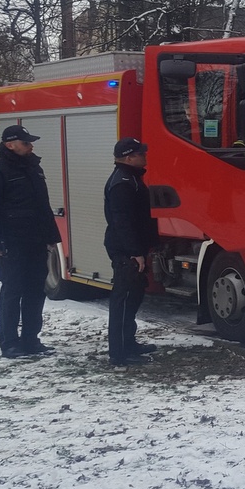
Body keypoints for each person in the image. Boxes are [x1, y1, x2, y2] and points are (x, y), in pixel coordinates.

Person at [0, 124, 62, 359]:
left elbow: (43, 206)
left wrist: (51, 237)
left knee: (36, 291)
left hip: (36, 241)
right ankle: (9, 342)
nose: (30, 146)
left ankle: (31, 339)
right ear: (10, 145)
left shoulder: (34, 167)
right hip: (11, 242)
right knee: (13, 292)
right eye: (26, 142)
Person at [104, 137, 160, 366]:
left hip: (132, 247)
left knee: (133, 297)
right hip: (125, 250)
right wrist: (135, 252)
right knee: (124, 299)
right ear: (129, 158)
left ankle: (129, 342)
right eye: (140, 153)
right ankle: (119, 353)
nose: (144, 156)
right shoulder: (123, 183)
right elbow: (123, 222)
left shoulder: (131, 179)